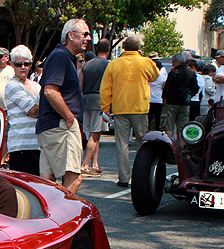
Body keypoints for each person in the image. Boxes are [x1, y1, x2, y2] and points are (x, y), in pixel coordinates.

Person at [35, 18, 91, 195]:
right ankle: (60, 218)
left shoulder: (61, 57)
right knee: (74, 179)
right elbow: (50, 91)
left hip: (51, 127)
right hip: (60, 127)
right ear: (70, 35)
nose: (88, 38)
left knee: (47, 183)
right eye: (85, 34)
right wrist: (69, 118)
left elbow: (44, 91)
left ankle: (45, 219)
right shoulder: (60, 57)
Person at [99, 36, 158, 188]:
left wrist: (106, 107)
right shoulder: (146, 62)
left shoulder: (114, 64)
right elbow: (155, 76)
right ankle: (142, 174)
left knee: (122, 144)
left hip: (120, 108)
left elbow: (105, 88)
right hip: (139, 107)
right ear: (138, 48)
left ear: (123, 47)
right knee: (142, 143)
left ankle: (123, 178)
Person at [4, 45, 40, 175]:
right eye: (19, 64)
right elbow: (33, 110)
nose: (23, 67)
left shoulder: (35, 85)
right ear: (12, 65)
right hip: (21, 144)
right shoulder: (12, 85)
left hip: (38, 144)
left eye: (27, 63)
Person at [79, 38, 110, 176]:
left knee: (93, 133)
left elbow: (80, 86)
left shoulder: (86, 65)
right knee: (95, 134)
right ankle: (85, 165)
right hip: (100, 100)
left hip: (86, 100)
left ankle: (95, 164)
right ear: (108, 50)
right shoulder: (108, 65)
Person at [160, 52, 198, 138]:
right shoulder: (191, 73)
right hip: (185, 104)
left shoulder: (173, 73)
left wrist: (164, 101)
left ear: (177, 61)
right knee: (182, 128)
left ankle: (170, 146)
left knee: (169, 127)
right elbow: (196, 88)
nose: (172, 64)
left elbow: (167, 89)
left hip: (171, 103)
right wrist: (189, 95)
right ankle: (181, 148)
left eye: (173, 62)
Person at [148, 56, 166, 131]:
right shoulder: (162, 76)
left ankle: (148, 130)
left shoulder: (150, 75)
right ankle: (157, 130)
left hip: (150, 98)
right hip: (159, 98)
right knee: (158, 117)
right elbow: (164, 86)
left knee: (149, 117)